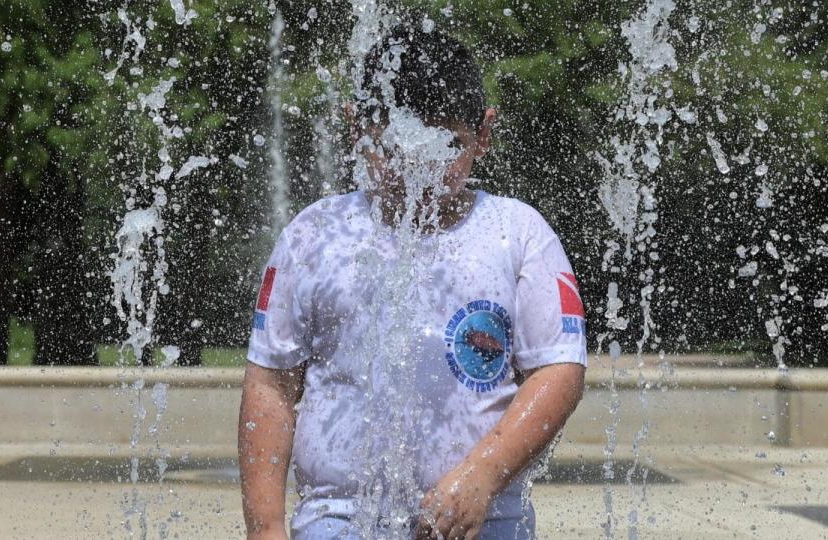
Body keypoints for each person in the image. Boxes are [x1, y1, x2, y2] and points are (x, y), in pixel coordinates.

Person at [239, 23, 587, 540]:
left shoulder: (517, 234)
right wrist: (265, 528)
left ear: (484, 135)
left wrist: (483, 474)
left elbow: (560, 371)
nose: (417, 163)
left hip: (483, 515)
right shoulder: (316, 234)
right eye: (394, 142)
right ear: (356, 129)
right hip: (340, 516)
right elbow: (271, 382)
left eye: (447, 142)